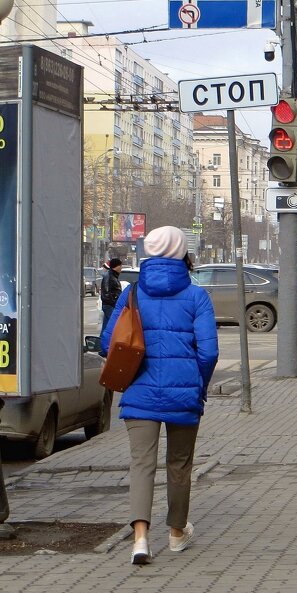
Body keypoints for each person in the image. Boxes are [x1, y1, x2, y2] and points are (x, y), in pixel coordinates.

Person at [101, 226, 218, 566]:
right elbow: (209, 353)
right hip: (184, 395)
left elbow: (109, 343)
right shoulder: (197, 296)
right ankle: (177, 533)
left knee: (141, 465)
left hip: (140, 394)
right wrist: (199, 385)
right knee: (179, 465)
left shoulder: (133, 293)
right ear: (183, 253)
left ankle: (139, 540)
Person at [100, 258, 123, 332]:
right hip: (110, 306)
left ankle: (101, 342)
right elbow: (106, 294)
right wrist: (115, 302)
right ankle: (106, 342)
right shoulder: (109, 276)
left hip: (111, 305)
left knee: (106, 328)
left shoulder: (113, 276)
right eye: (120, 266)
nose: (121, 268)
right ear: (117, 266)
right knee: (113, 327)